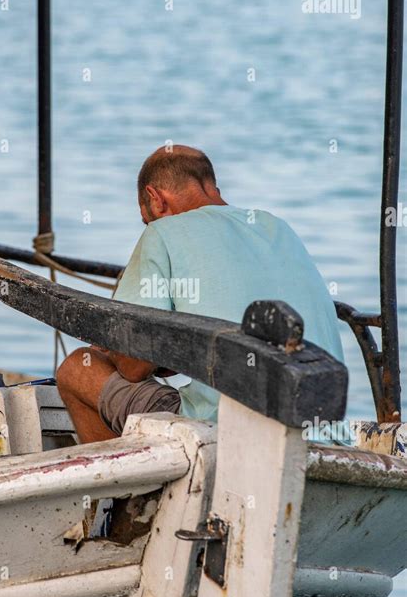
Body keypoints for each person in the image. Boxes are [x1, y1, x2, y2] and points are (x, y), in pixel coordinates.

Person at [57, 145, 343, 442]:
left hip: (223, 431)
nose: (149, 225)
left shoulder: (164, 232)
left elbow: (132, 365)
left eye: (146, 219)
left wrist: (112, 350)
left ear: (155, 199)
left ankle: (123, 488)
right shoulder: (277, 227)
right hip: (323, 432)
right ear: (211, 187)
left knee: (78, 368)